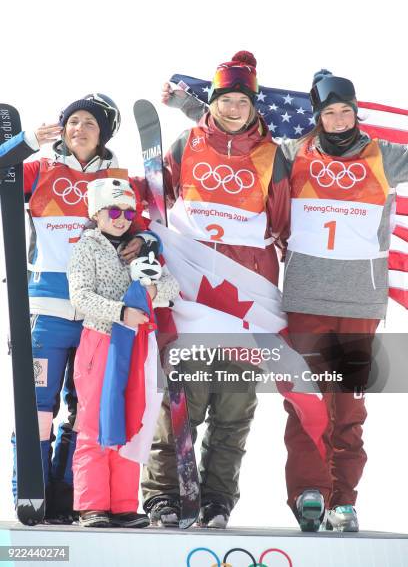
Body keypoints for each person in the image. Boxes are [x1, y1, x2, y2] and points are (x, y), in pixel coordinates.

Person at [160, 68, 408, 533]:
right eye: (328, 113)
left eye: (345, 112)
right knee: (306, 402)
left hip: (359, 304)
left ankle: (344, 501)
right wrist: (190, 107)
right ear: (317, 117)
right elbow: (238, 140)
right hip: (304, 300)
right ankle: (309, 493)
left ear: (357, 114)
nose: (337, 121)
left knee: (348, 410)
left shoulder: (384, 156)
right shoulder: (293, 154)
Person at [141, 51, 291, 528]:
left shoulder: (271, 156)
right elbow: (154, 199)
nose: (232, 108)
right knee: (179, 403)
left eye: (241, 101)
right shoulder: (187, 145)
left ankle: (217, 499)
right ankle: (164, 494)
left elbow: (285, 223)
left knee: (234, 410)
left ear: (253, 106)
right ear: (213, 102)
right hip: (193, 293)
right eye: (225, 99)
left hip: (250, 298)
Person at [0, 94, 149, 523]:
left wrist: (145, 241)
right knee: (39, 407)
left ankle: (69, 498)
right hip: (46, 309)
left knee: (85, 410)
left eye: (89, 123)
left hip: (98, 316)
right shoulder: (40, 170)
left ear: (103, 133)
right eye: (73, 121)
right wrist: (27, 141)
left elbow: (151, 225)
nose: (78, 129)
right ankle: (32, 491)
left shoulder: (122, 180)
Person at [68, 177, 179, 527]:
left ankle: (123, 505)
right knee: (94, 422)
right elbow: (80, 297)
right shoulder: (87, 247)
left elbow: (171, 289)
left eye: (128, 211)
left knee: (131, 417)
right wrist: (120, 311)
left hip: (135, 343)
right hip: (101, 340)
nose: (121, 218)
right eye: (113, 210)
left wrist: (153, 282)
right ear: (97, 213)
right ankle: (92, 505)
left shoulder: (140, 246)